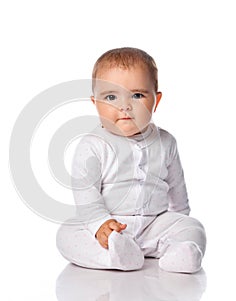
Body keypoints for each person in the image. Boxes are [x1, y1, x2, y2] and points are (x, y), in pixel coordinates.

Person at [56, 47, 206, 273]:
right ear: (94, 102)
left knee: (194, 227)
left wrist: (178, 220)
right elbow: (86, 193)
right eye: (111, 97)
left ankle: (180, 253)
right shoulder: (93, 145)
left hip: (154, 223)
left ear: (156, 100)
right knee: (67, 234)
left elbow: (177, 187)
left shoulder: (166, 142)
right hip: (111, 227)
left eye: (137, 95)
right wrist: (100, 225)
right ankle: (116, 257)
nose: (124, 106)